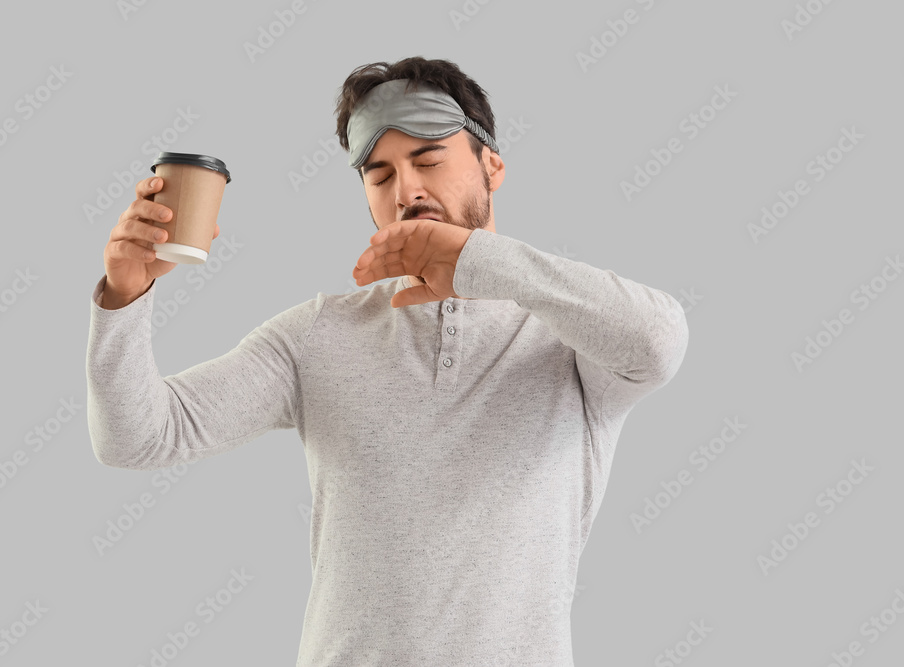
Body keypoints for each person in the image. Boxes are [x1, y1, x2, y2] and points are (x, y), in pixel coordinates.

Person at [86, 56, 689, 666]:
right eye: (379, 175)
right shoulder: (318, 334)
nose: (406, 191)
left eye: (428, 160)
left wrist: (479, 261)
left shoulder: (570, 337)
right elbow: (137, 438)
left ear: (492, 165)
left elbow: (659, 342)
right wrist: (124, 297)